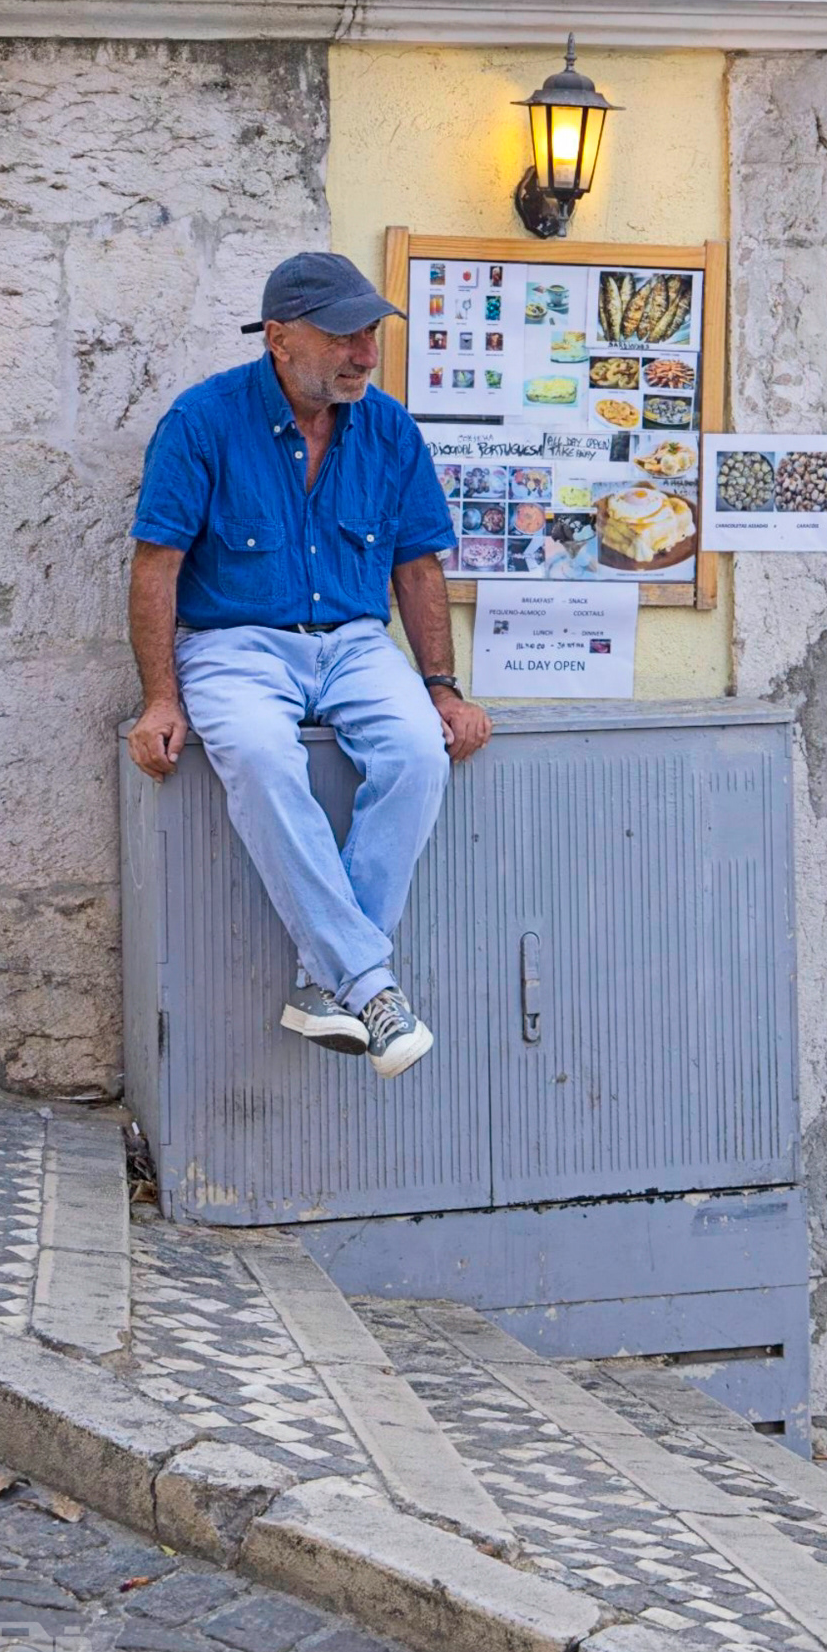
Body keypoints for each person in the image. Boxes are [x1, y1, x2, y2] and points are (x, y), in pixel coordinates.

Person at [125, 252, 491, 1079]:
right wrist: (159, 699)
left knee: (414, 751)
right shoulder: (202, 420)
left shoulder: (389, 426)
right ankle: (368, 983)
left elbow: (418, 566)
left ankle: (326, 985)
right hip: (232, 643)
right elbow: (157, 566)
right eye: (344, 336)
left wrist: (441, 688)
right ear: (281, 340)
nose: (364, 353)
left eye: (370, 333)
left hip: (357, 642)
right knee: (256, 753)